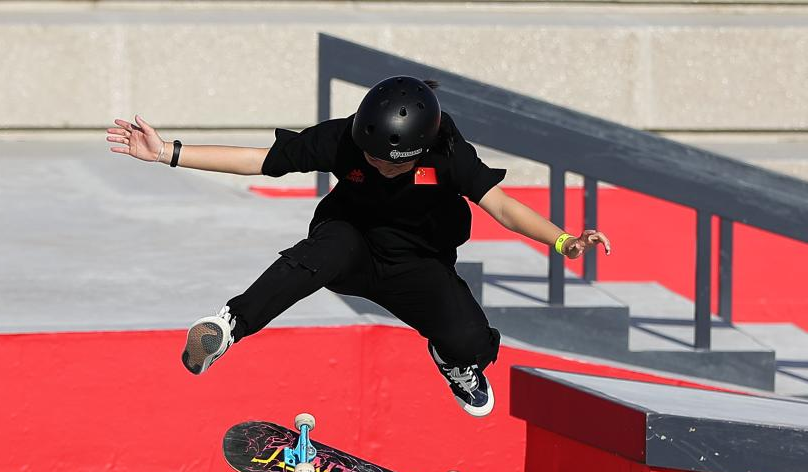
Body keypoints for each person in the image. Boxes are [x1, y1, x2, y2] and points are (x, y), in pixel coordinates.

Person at [107, 76, 610, 417]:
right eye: (371, 157)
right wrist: (168, 152)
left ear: (419, 149)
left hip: (418, 264)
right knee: (318, 253)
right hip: (350, 243)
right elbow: (261, 160)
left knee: (471, 343)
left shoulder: (449, 154)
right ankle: (230, 325)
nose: (378, 166)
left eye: (392, 162)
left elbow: (501, 206)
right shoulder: (342, 139)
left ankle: (454, 360)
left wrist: (563, 239)